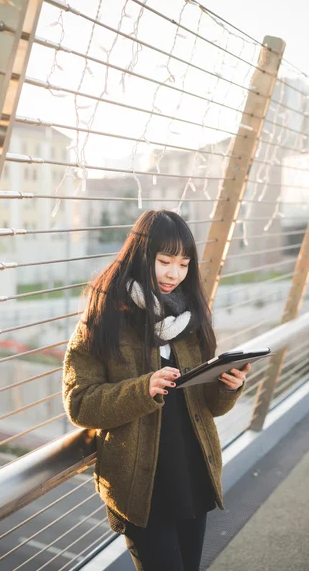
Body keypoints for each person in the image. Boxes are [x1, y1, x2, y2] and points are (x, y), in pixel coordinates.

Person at [62, 209, 249, 571]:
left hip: (194, 472)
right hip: (140, 485)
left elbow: (209, 405)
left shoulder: (190, 316)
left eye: (183, 264)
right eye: (165, 261)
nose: (174, 273)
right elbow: (79, 403)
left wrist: (229, 386)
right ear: (141, 255)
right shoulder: (103, 317)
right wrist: (142, 389)